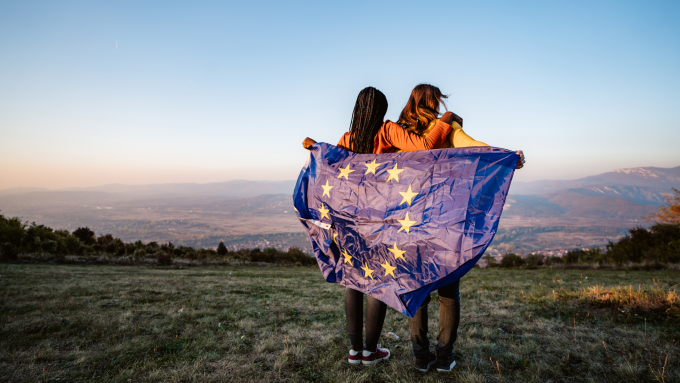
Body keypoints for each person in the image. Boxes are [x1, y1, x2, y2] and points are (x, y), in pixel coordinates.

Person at [302, 86, 458, 366]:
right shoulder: (386, 131)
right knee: (376, 282)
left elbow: (333, 167)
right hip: (380, 221)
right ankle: (371, 351)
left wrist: (315, 148)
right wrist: (446, 120)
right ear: (380, 110)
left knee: (354, 281)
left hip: (350, 221)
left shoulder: (347, 138)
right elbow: (424, 147)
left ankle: (354, 350)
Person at [396, 83, 525, 373]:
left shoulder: (399, 131)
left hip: (408, 225)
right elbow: (475, 146)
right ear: (434, 101)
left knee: (416, 289)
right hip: (445, 222)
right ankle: (444, 358)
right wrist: (507, 156)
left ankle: (420, 357)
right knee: (448, 292)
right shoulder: (447, 128)